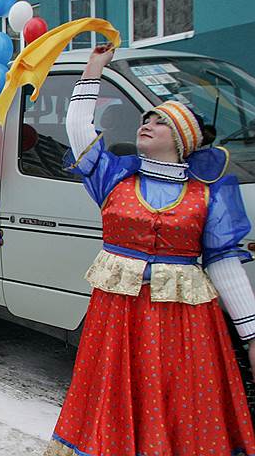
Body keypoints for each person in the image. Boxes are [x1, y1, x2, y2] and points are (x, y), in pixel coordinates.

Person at [45, 46, 255, 455]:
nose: (147, 123)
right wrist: (92, 71)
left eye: (159, 120)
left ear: (182, 138)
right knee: (118, 397)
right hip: (118, 320)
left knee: (180, 401)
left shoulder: (205, 196)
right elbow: (78, 131)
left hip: (185, 325)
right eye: (146, 118)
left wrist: (251, 333)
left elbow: (225, 263)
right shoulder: (113, 179)